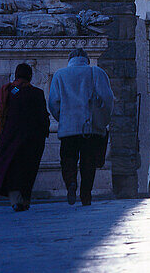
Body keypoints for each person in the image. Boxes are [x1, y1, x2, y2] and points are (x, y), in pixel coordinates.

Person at [48, 49, 114, 206]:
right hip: (89, 128)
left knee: (68, 160)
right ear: (87, 59)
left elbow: (53, 103)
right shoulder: (96, 72)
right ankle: (86, 195)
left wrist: (62, 118)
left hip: (68, 128)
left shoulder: (59, 75)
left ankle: (71, 183)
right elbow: (107, 98)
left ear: (70, 59)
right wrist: (102, 120)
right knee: (88, 163)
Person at [0, 62, 50, 212]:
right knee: (28, 170)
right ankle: (26, 200)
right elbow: (43, 116)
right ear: (30, 76)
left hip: (11, 137)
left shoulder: (13, 90)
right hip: (32, 139)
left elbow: (0, 109)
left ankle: (16, 201)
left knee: (12, 170)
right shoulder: (36, 93)